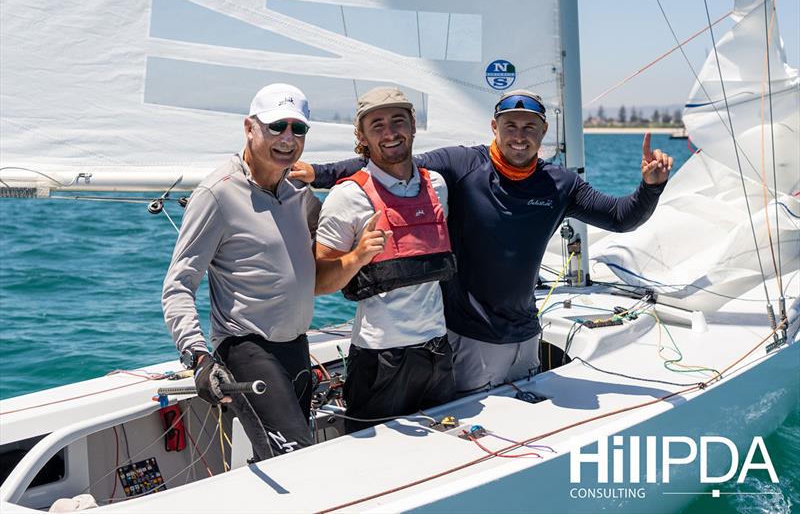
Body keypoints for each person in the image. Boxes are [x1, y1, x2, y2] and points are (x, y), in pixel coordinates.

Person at [292, 89, 673, 394]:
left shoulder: (561, 184)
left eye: (529, 127)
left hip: (527, 331)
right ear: (495, 126)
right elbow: (393, 159)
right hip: (469, 335)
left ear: (543, 133)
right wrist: (320, 173)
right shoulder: (462, 165)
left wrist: (650, 188)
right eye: (510, 125)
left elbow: (622, 218)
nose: (519, 136)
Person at [162, 83, 321, 459]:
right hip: (246, 350)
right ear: (250, 127)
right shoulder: (217, 193)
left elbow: (331, 246)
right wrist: (199, 358)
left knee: (292, 459)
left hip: (297, 348)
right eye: (276, 126)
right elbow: (179, 286)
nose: (288, 138)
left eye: (298, 129)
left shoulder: (300, 192)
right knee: (297, 461)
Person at [314, 87, 456, 432]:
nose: (390, 133)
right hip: (381, 360)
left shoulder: (436, 185)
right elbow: (317, 282)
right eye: (376, 125)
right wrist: (359, 256)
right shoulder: (347, 196)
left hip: (438, 351)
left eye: (398, 121)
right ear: (361, 135)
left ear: (413, 125)